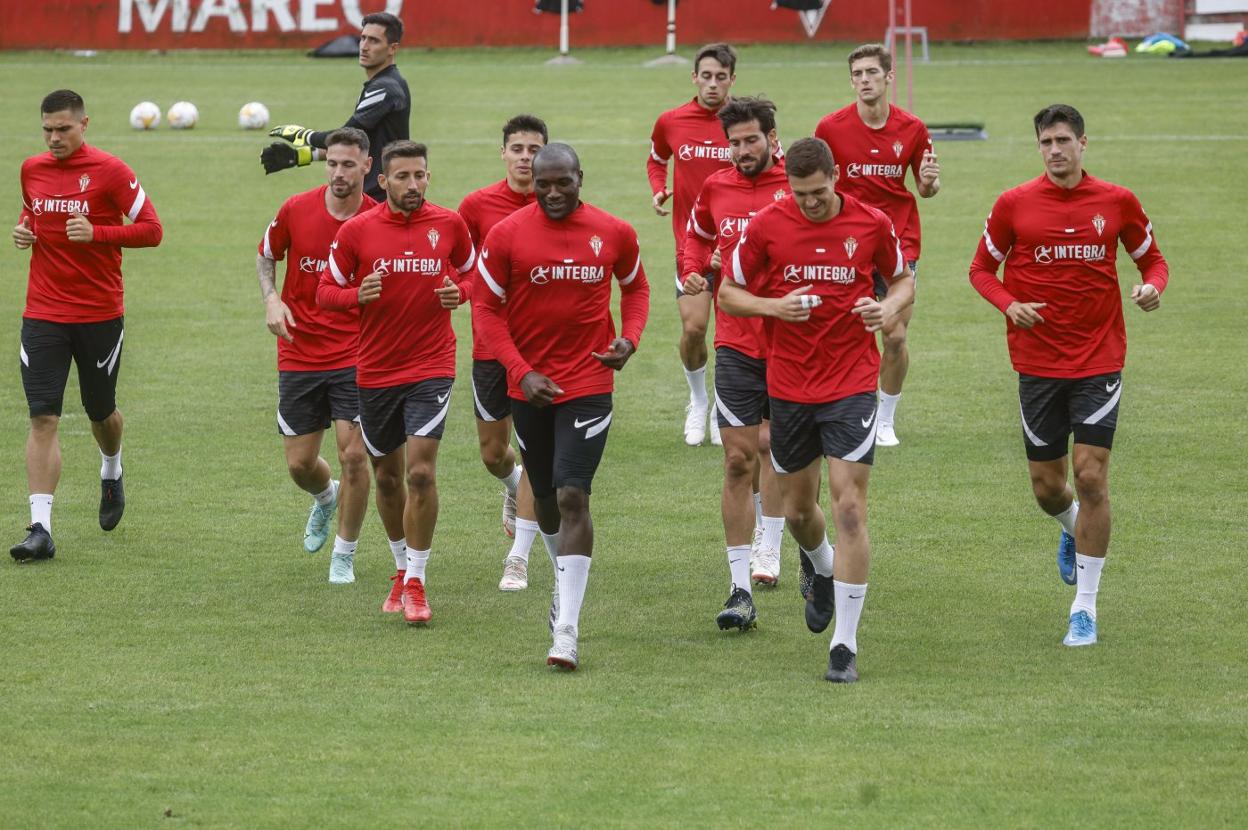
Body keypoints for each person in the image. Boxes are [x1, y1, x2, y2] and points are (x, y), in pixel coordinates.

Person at [969, 104, 1168, 648]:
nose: (1055, 150)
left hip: (1100, 358)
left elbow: (1154, 261)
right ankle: (1071, 526)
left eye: (1063, 140)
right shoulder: (1014, 205)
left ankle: (1085, 607)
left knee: (1091, 475)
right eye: (1046, 142)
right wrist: (1009, 304)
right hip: (1037, 364)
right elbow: (981, 270)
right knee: (1048, 487)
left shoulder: (1116, 201)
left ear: (1084, 143)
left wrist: (1153, 288)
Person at [720, 137, 913, 683]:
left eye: (819, 191)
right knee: (800, 513)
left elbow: (903, 279)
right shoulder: (766, 226)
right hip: (788, 388)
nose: (809, 202)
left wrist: (886, 306)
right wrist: (773, 306)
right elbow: (728, 293)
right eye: (800, 193)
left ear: (835, 177)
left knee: (849, 506)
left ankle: (844, 646)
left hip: (851, 383)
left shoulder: (870, 223)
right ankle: (823, 566)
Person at [475, 143, 650, 670]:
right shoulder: (507, 235)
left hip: (589, 381)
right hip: (528, 387)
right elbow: (485, 311)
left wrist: (630, 339)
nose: (552, 193)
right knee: (545, 497)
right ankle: (562, 580)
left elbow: (636, 288)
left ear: (580, 178)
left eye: (562, 183)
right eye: (542, 184)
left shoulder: (614, 232)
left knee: (574, 494)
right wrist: (520, 370)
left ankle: (567, 629)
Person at [316, 140, 475, 624]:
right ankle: (400, 567)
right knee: (386, 476)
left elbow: (474, 275)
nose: (413, 185)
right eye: (403, 177)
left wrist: (458, 293)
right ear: (381, 181)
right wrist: (355, 297)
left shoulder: (450, 225)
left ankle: (418, 583)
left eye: (420, 176)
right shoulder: (357, 232)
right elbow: (324, 291)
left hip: (432, 366)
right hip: (377, 370)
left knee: (421, 472)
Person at [10, 89, 163, 562]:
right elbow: (33, 212)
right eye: (47, 130)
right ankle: (40, 528)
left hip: (98, 314)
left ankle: (112, 469)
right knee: (43, 416)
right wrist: (24, 230)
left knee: (101, 413)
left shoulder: (111, 172)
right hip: (43, 313)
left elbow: (153, 230)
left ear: (84, 124)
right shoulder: (31, 169)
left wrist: (99, 233)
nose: (54, 138)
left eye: (63, 129)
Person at [679, 96, 789, 629]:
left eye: (752, 140)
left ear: (772, 136)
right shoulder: (716, 187)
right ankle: (740, 586)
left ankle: (776, 540)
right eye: (735, 142)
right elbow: (697, 236)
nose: (744, 151)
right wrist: (697, 269)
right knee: (738, 459)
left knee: (779, 450)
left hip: (795, 347)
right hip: (737, 344)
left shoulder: (799, 188)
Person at [256, 128, 377, 584]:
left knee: (354, 457)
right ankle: (326, 499)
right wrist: (272, 299)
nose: (339, 173)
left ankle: (344, 555)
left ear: (368, 166)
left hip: (357, 354)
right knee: (300, 465)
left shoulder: (378, 220)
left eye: (349, 165)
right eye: (332, 164)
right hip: (300, 351)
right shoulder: (296, 209)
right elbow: (266, 255)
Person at [814, 43, 940, 447]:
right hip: (846, 246)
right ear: (851, 80)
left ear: (888, 77)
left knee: (895, 335)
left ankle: (884, 418)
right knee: (839, 334)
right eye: (857, 74)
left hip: (898, 243)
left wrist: (930, 182)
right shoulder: (830, 128)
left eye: (871, 72)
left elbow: (924, 187)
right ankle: (837, 410)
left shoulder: (913, 129)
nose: (864, 80)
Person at [457, 114, 548, 592]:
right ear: (503, 154)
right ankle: (513, 488)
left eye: (535, 149)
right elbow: (459, 265)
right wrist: (461, 289)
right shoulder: (476, 206)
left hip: (542, 351)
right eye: (518, 149)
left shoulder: (557, 203)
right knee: (494, 454)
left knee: (535, 452)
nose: (526, 158)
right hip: (490, 347)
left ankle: (519, 557)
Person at [647, 42, 737, 447]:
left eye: (721, 76)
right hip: (691, 247)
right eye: (706, 75)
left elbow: (777, 170)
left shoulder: (744, 123)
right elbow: (656, 157)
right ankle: (698, 401)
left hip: (740, 249)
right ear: (694, 77)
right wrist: (658, 189)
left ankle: (723, 406)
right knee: (695, 327)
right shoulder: (672, 121)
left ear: (732, 79)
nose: (713, 84)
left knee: (733, 337)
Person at [262, 12, 411, 203]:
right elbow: (360, 143)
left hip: (381, 200)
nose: (364, 47)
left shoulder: (386, 88)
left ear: (392, 48)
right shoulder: (384, 83)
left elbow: (345, 136)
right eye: (363, 38)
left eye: (374, 41)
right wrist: (303, 156)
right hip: (375, 198)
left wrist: (303, 135)